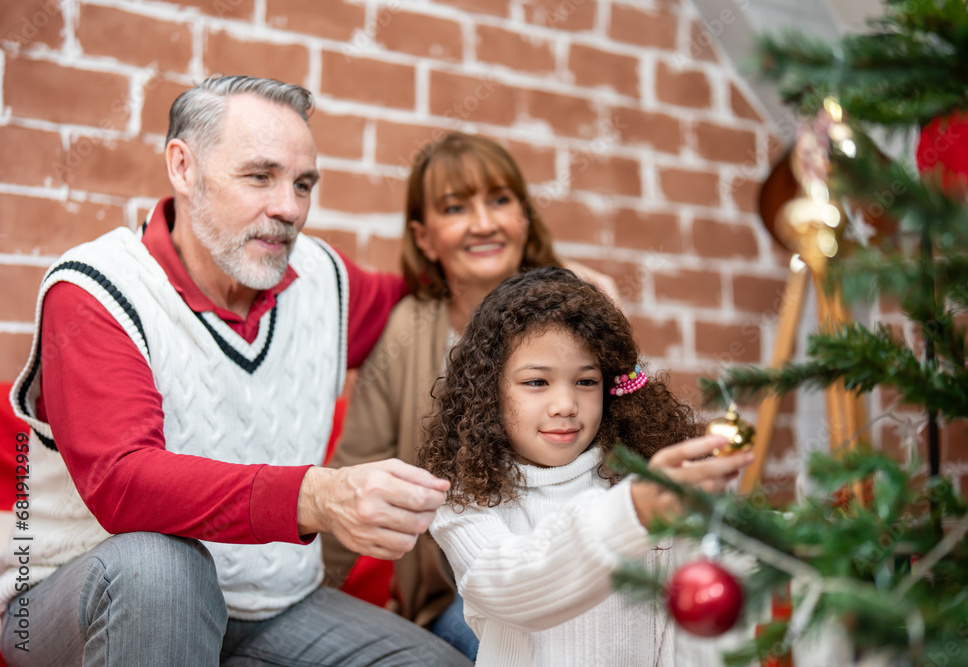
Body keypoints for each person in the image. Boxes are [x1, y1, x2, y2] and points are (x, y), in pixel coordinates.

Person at [0, 75, 471, 666]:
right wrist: (317, 496)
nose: (289, 208)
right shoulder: (97, 289)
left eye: (303, 184)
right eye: (260, 177)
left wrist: (558, 276)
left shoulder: (323, 278)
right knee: (161, 570)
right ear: (183, 167)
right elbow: (124, 484)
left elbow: (441, 294)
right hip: (83, 597)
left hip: (275, 608)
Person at [322, 132, 617, 659]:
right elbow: (354, 474)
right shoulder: (405, 331)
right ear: (425, 237)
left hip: (583, 562)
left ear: (525, 218)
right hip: (459, 591)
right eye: (456, 208)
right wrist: (305, 599)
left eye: (500, 200)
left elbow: (631, 436)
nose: (483, 223)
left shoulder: (581, 311)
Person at [418, 267, 755, 666]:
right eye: (537, 383)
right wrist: (630, 512)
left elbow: (685, 631)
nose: (565, 405)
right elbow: (512, 586)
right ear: (489, 391)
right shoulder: (465, 498)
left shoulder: (642, 479)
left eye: (585, 381)